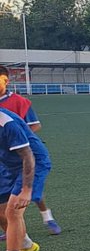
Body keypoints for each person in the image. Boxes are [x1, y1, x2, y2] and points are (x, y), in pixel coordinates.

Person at [0, 67, 59, 235]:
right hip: (5, 157)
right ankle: (17, 233)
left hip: (25, 153)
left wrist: (18, 137)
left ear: (6, 80)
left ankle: (47, 217)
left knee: (32, 192)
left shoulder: (19, 101)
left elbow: (35, 124)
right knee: (6, 195)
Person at [0, 106, 50, 251]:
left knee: (13, 212)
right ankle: (27, 245)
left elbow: (28, 157)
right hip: (7, 164)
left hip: (32, 163)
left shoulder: (7, 123)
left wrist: (26, 190)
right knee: (1, 212)